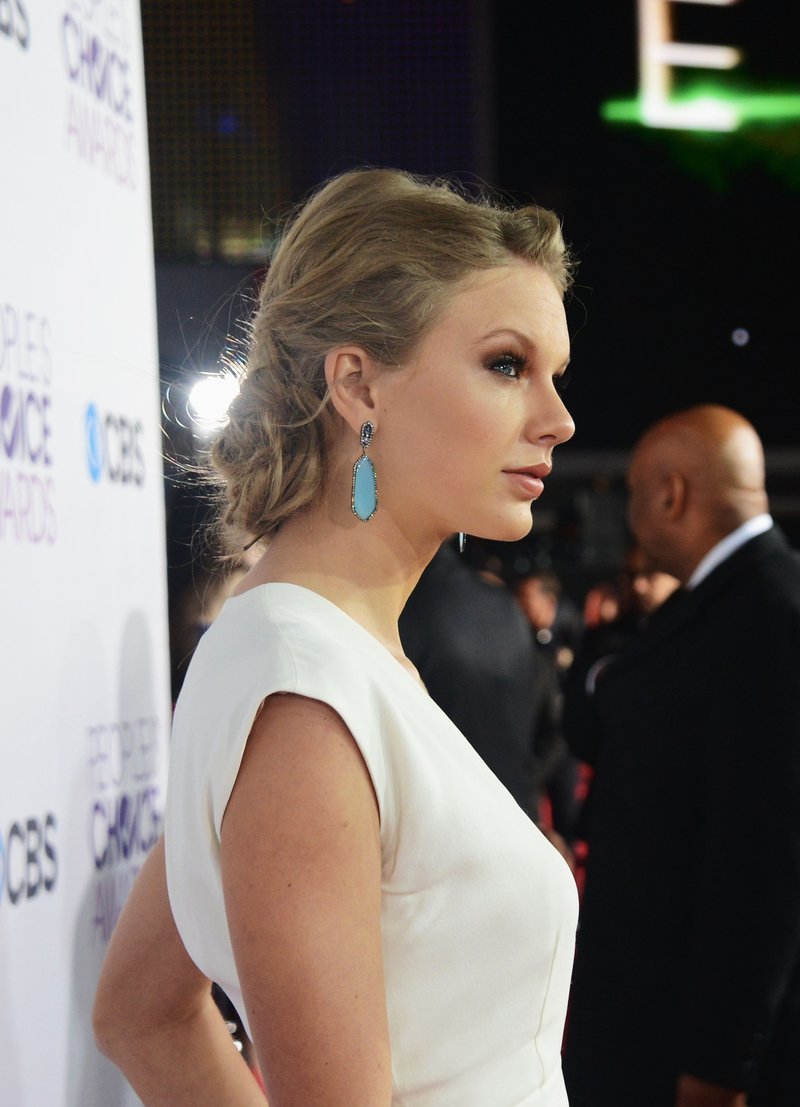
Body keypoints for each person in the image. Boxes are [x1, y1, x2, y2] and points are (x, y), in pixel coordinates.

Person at [93, 167, 579, 1106]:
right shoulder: (302, 689)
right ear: (358, 382)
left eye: (553, 375)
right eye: (508, 365)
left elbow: (141, 1011)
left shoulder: (315, 654)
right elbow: (143, 1017)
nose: (557, 420)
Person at [562, 404, 800, 1107]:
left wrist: (718, 1065)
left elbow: (765, 867)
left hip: (681, 1047)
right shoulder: (734, 603)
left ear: (670, 492)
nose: (632, 519)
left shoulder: (768, 615)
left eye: (634, 497)